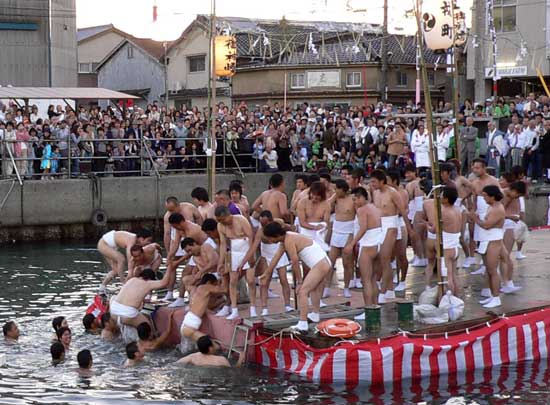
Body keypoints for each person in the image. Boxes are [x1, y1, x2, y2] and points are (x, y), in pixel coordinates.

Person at [263, 223, 332, 332]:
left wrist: (300, 282)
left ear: (275, 235)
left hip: (320, 264)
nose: (269, 241)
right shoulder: (285, 240)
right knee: (313, 288)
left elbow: (295, 261)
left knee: (303, 291)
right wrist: (267, 273)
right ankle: (315, 314)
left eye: (270, 238)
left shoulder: (289, 240)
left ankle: (303, 323)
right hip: (323, 262)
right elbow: (276, 257)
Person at [369, 169, 413, 304]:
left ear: (382, 181)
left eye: (374, 181)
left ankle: (384, 291)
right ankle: (389, 289)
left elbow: (403, 211)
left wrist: (410, 229)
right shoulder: (375, 193)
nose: (372, 184)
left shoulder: (393, 193)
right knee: (379, 259)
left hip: (392, 225)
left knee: (385, 258)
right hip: (379, 225)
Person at [240, 210, 293, 315]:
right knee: (264, 282)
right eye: (262, 223)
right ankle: (264, 308)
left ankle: (287, 305)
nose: (263, 225)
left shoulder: (279, 223)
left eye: (265, 223)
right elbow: (254, 247)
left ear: (271, 220)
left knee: (283, 279)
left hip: (279, 253)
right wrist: (244, 261)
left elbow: (289, 230)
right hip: (266, 256)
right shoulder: (261, 231)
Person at [469, 185, 508, 308]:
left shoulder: (498, 208)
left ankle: (496, 298)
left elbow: (486, 225)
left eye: (485, 196)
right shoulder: (492, 207)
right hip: (486, 239)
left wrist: (475, 218)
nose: (483, 198)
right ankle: (492, 295)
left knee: (492, 270)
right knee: (488, 270)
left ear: (492, 196)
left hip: (493, 240)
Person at [344, 187, 382, 312]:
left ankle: (369, 311)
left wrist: (351, 244)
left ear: (361, 197)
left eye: (355, 199)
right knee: (373, 279)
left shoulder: (362, 209)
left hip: (368, 244)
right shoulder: (374, 207)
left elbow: (363, 228)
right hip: (378, 243)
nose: (354, 202)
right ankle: (375, 307)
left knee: (366, 281)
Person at [216, 206, 255, 319]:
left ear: (228, 215)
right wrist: (221, 262)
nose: (222, 222)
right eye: (219, 220)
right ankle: (234, 309)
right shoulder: (220, 226)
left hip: (247, 248)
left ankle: (253, 308)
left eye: (223, 219)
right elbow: (223, 244)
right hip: (234, 252)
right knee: (233, 281)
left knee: (251, 280)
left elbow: (251, 237)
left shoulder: (241, 219)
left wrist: (251, 255)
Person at [110, 266, 175, 329]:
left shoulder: (132, 279)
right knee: (147, 327)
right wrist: (170, 267)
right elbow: (164, 283)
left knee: (113, 297)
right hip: (128, 314)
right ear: (150, 279)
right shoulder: (148, 283)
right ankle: (150, 338)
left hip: (114, 310)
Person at [169, 237, 219, 308]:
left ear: (194, 244)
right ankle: (192, 301)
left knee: (202, 283)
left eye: (190, 250)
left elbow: (214, 261)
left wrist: (201, 272)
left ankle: (219, 301)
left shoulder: (206, 247)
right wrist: (195, 278)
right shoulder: (194, 257)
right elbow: (197, 272)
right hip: (206, 276)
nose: (190, 253)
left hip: (217, 274)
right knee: (186, 280)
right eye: (188, 252)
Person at [470, 159, 501, 275]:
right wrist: (473, 211)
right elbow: (474, 198)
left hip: (491, 211)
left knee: (490, 241)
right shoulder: (474, 182)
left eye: (477, 168)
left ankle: (492, 265)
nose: (475, 170)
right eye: (474, 168)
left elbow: (499, 197)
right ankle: (484, 265)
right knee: (480, 240)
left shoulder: (493, 181)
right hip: (479, 211)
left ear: (484, 168)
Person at [326, 179, 356, 298]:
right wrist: (334, 195)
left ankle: (346, 287)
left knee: (347, 263)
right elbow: (327, 205)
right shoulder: (335, 198)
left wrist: (353, 236)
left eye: (337, 189)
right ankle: (327, 287)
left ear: (343, 189)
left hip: (348, 231)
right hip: (336, 231)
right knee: (330, 261)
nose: (335, 191)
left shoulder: (352, 199)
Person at [181, 273, 228, 342]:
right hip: (190, 326)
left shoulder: (195, 289)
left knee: (198, 349)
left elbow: (203, 308)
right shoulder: (205, 287)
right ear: (209, 282)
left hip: (186, 323)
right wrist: (225, 275)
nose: (215, 287)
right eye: (214, 284)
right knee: (214, 347)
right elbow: (224, 289)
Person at [387, 170, 409, 292]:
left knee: (401, 254)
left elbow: (403, 210)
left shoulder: (402, 192)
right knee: (390, 254)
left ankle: (403, 279)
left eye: (388, 180)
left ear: (394, 181)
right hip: (389, 222)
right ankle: (394, 275)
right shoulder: (385, 192)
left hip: (399, 222)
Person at [501, 181, 524, 293]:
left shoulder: (514, 197)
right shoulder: (504, 194)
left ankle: (508, 282)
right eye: (518, 195)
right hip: (505, 225)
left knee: (506, 256)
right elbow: (497, 212)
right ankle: (506, 282)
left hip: (510, 225)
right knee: (504, 256)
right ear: (514, 190)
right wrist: (510, 216)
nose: (518, 197)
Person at [440, 186, 463, 296]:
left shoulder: (444, 212)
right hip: (456, 246)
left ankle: (451, 301)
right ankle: (457, 298)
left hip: (448, 247)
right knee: (454, 275)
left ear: (446, 199)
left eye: (442, 195)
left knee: (448, 277)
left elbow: (435, 229)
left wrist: (426, 225)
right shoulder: (458, 210)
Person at [404, 164, 427, 267]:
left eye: (409, 172)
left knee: (417, 236)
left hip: (418, 210)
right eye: (406, 173)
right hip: (421, 209)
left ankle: (421, 257)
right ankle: (419, 256)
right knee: (421, 236)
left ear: (414, 172)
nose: (407, 175)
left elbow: (407, 198)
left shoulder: (412, 184)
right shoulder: (422, 182)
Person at [177, 335, 245, 367]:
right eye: (214, 342)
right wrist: (240, 360)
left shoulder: (193, 357)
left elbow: (177, 363)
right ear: (210, 348)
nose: (216, 343)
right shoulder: (221, 360)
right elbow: (233, 371)